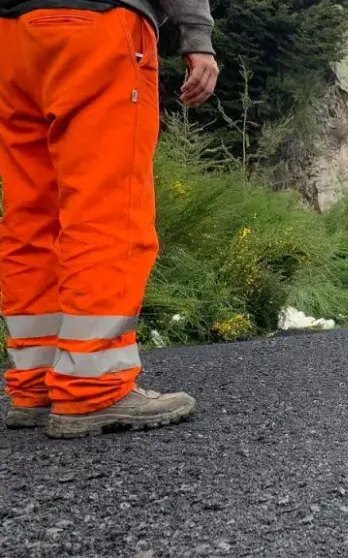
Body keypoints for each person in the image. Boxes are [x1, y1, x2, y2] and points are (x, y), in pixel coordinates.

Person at [0, 0, 219, 438]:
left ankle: (35, 383)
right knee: (105, 207)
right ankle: (93, 387)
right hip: (98, 26)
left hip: (12, 35)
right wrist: (197, 38)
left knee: (31, 214)